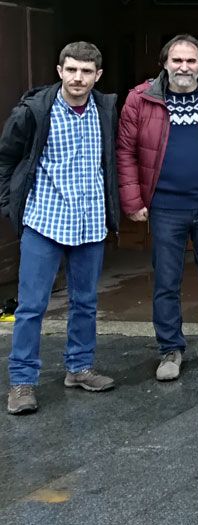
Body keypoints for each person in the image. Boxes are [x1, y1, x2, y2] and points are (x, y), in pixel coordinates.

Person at [117, 34, 198, 381]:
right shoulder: (140, 100)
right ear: (164, 63)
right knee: (166, 282)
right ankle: (170, 350)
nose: (184, 67)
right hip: (165, 208)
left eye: (191, 61)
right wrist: (133, 201)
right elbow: (125, 152)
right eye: (177, 61)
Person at [0, 42, 120, 415]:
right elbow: (7, 158)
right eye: (71, 70)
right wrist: (11, 206)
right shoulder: (35, 111)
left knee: (85, 302)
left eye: (86, 72)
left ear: (97, 76)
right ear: (59, 70)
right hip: (45, 220)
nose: (77, 78)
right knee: (32, 307)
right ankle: (22, 383)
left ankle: (79, 368)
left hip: (90, 222)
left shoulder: (105, 109)